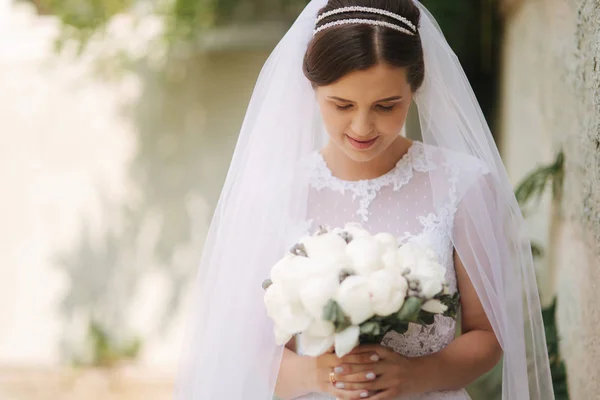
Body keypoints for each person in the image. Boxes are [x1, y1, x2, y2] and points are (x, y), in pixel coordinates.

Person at [175, 1, 554, 399]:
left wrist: (416, 375)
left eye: (386, 106)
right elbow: (249, 353)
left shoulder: (463, 184)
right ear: (313, 90)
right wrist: (319, 376)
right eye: (341, 105)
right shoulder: (276, 194)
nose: (361, 126)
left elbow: (488, 336)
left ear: (415, 88)